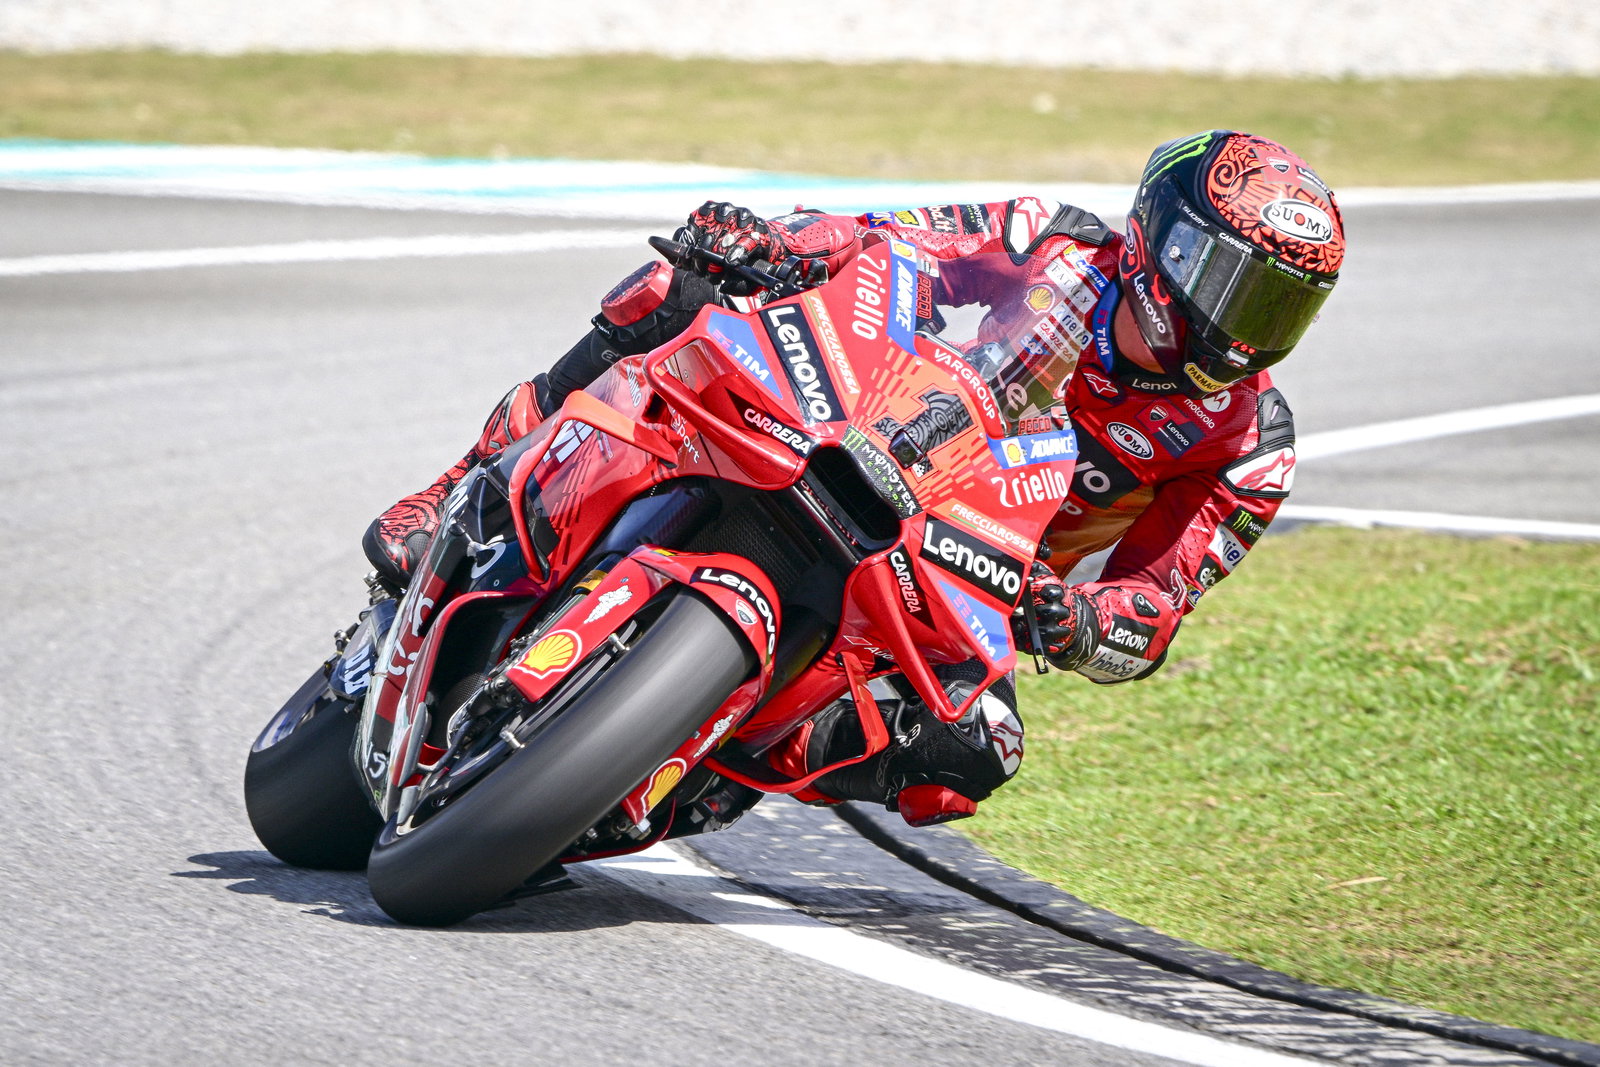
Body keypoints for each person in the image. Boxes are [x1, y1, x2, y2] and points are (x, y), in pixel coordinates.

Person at [363, 129, 1345, 824]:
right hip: (859, 423)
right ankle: (460, 482)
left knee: (974, 754)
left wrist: (1079, 622)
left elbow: (1155, 605)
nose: (1244, 326)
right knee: (681, 288)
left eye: (1279, 307)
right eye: (1232, 283)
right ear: (1160, 240)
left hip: (964, 575)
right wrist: (775, 247)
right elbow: (890, 235)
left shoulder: (1249, 440)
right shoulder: (1050, 241)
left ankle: (706, 771)